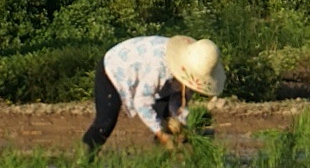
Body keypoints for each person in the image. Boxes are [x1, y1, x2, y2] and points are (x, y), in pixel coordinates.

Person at [82, 35, 226, 155]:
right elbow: (141, 101)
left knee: (165, 116)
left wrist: (182, 125)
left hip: (152, 78)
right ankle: (84, 156)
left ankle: (161, 162)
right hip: (114, 67)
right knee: (106, 121)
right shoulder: (159, 67)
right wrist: (160, 133)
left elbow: (178, 102)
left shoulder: (190, 75)